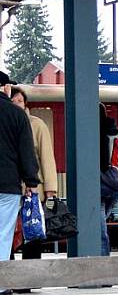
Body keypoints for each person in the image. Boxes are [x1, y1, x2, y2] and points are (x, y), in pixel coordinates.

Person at [0, 71, 40, 295]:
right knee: (3, 234)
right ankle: (2, 283)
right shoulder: (16, 115)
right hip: (7, 186)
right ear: (5, 87)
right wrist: (31, 182)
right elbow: (26, 152)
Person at [10, 87, 58, 263]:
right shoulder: (7, 122)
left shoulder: (37, 125)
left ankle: (31, 275)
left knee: (33, 230)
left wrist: (51, 189)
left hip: (34, 188)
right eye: (12, 101)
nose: (16, 105)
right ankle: (11, 272)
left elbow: (46, 156)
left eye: (19, 101)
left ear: (26, 104)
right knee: (9, 232)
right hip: (12, 187)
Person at [99, 103, 118, 256]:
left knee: (99, 228)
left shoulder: (90, 132)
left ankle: (102, 259)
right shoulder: (114, 132)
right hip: (115, 186)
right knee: (101, 223)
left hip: (98, 185)